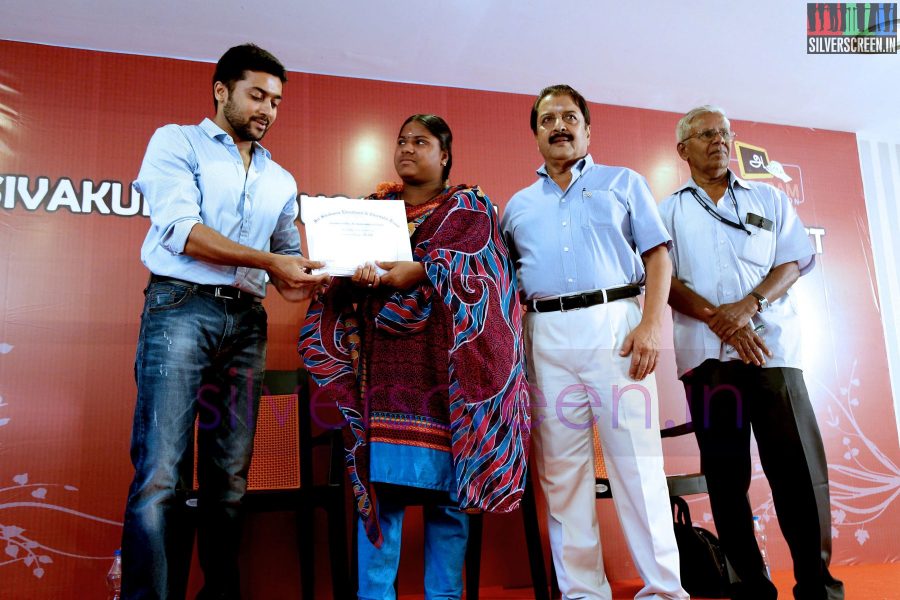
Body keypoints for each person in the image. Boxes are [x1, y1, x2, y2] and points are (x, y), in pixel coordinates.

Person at [122, 43, 327, 600]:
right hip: (180, 310)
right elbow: (182, 231)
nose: (267, 109)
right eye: (257, 95)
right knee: (162, 474)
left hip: (246, 324)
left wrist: (318, 275)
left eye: (277, 101)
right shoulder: (176, 142)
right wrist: (269, 263)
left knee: (230, 483)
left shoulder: (280, 178)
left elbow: (286, 263)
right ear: (222, 90)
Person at [298, 114, 529, 600]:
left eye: (420, 142)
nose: (406, 148)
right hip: (383, 373)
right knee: (381, 497)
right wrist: (348, 275)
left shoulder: (470, 208)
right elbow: (339, 273)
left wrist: (419, 271)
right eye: (401, 140)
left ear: (445, 155)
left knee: (448, 501)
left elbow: (487, 270)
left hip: (448, 374)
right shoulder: (373, 209)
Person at [501, 84, 687, 600]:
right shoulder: (516, 207)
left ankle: (664, 591)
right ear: (536, 133)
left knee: (637, 464)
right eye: (546, 119)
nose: (558, 126)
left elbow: (658, 257)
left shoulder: (623, 183)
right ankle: (583, 592)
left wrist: (650, 325)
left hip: (616, 328)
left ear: (587, 128)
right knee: (562, 474)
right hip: (544, 334)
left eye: (568, 117)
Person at [658, 105, 844, 600]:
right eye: (704, 134)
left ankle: (818, 587)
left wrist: (748, 306)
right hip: (706, 358)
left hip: (773, 353)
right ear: (683, 150)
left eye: (723, 133)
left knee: (799, 474)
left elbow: (793, 261)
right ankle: (751, 590)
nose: (717, 140)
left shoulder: (770, 197)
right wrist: (719, 319)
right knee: (725, 477)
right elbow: (664, 281)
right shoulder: (667, 209)